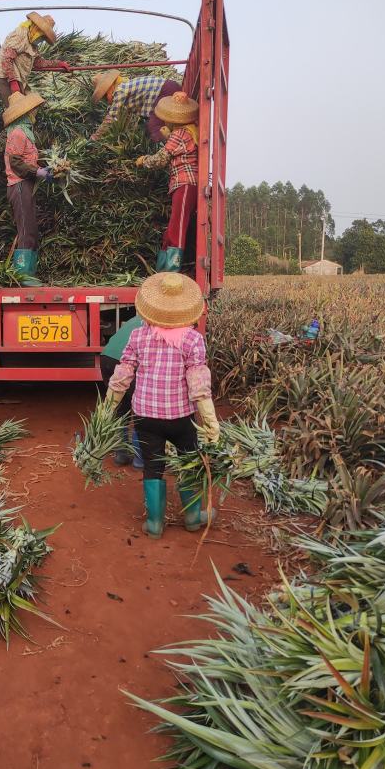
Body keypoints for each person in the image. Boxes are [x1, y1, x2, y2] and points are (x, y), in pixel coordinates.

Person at [106, 272, 221, 538]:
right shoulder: (193, 340)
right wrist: (211, 423)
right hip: (181, 418)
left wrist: (106, 411)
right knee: (188, 462)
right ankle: (193, 517)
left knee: (152, 467)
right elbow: (199, 385)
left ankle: (155, 524)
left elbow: (121, 377)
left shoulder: (137, 337)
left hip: (146, 417)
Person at [135, 92, 199, 273]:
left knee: (177, 225)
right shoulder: (188, 131)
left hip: (185, 184)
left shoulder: (180, 133)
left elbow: (160, 160)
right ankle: (164, 268)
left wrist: (144, 160)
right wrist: (167, 137)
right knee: (175, 224)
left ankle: (171, 269)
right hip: (185, 185)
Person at [1, 90, 55, 286]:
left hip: (26, 185)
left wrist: (46, 168)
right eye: (32, 110)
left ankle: (29, 273)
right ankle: (22, 275)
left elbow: (27, 159)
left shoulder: (25, 132)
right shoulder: (17, 133)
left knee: (30, 227)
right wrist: (37, 172)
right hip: (19, 185)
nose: (35, 113)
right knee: (26, 228)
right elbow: (15, 162)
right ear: (25, 112)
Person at [0, 12, 69, 104]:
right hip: (4, 80)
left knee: (30, 108)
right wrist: (13, 83)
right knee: (17, 112)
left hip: (18, 84)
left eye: (44, 38)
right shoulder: (20, 34)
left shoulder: (33, 46)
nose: (42, 39)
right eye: (42, 35)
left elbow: (38, 62)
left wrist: (58, 64)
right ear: (36, 28)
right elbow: (6, 58)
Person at [90, 70, 183, 142]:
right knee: (153, 125)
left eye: (105, 96)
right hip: (168, 88)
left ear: (109, 89)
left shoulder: (120, 91)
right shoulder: (126, 87)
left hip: (165, 91)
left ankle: (167, 151)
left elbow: (111, 118)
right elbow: (126, 117)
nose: (106, 100)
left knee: (154, 126)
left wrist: (95, 137)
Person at [101, 313, 144, 467]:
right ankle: (140, 459)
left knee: (120, 408)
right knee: (142, 409)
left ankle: (121, 453)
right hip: (127, 361)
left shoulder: (139, 318)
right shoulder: (162, 324)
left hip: (107, 357)